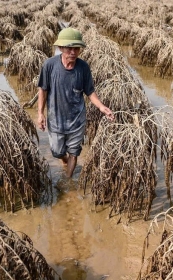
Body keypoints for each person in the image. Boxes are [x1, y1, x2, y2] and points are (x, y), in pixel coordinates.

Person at [37, 27, 114, 178]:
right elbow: (43, 90)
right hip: (56, 119)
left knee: (74, 152)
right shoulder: (49, 65)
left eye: (76, 48)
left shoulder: (83, 67)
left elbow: (90, 91)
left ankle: (68, 178)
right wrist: (40, 113)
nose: (73, 52)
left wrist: (101, 107)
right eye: (69, 48)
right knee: (57, 151)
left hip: (77, 120)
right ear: (60, 48)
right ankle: (63, 159)